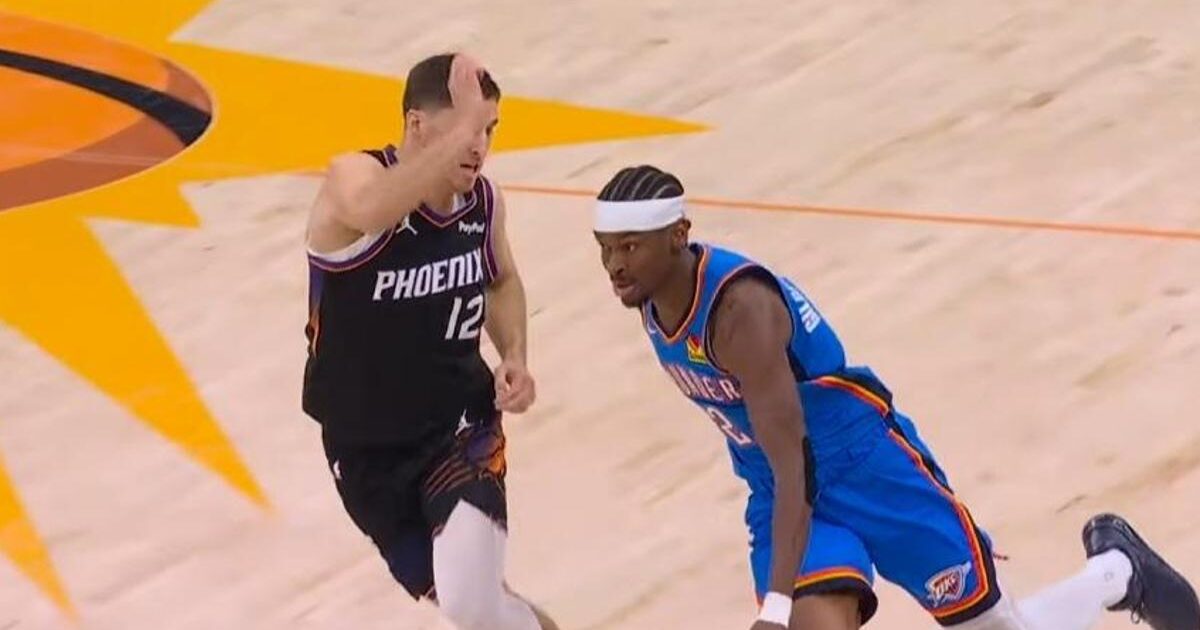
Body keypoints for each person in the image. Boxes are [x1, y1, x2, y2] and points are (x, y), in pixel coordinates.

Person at [590, 164, 1199, 630]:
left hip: (862, 466)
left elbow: (796, 460)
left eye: (630, 246)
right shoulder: (650, 294)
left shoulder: (739, 312)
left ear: (679, 235)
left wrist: (773, 608)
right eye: (605, 247)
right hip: (780, 490)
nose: (614, 264)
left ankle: (1116, 572)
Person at [301, 52, 558, 630]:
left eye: (489, 130)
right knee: (486, 607)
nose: (479, 147)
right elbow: (373, 210)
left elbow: (501, 279)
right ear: (417, 125)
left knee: (470, 603)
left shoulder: (483, 204)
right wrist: (458, 134)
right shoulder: (352, 178)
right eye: (467, 130)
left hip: (458, 427)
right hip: (364, 450)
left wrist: (515, 356)